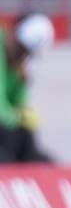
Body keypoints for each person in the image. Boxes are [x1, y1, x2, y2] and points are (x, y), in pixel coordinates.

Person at [0, 13, 54, 163]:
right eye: (21, 49)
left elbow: (21, 107)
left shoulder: (16, 66)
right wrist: (19, 117)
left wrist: (20, 84)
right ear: (12, 33)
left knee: (39, 157)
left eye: (27, 53)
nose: (22, 56)